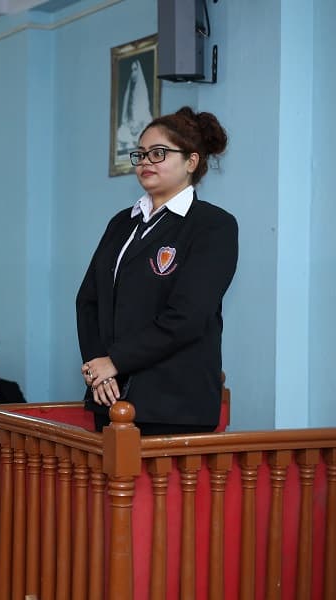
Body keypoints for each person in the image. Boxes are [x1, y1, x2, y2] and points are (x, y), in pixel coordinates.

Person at [76, 107, 237, 435]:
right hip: (111, 395)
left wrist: (115, 361)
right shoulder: (122, 222)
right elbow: (88, 300)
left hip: (174, 405)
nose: (146, 161)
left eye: (159, 153)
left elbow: (187, 317)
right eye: (141, 153)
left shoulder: (212, 226)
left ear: (191, 162)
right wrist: (99, 368)